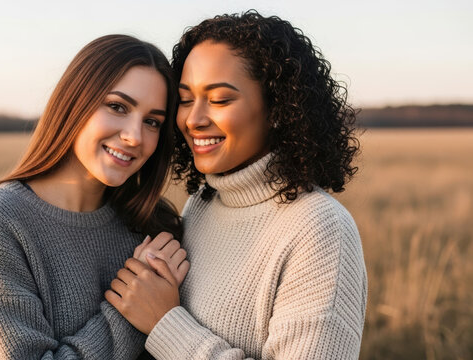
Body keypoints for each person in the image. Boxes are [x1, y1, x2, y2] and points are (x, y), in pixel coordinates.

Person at [106, 11, 367, 359]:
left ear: (278, 107)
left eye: (219, 100)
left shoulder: (319, 229)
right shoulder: (202, 203)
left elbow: (168, 325)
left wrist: (166, 325)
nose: (193, 119)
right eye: (185, 100)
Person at [0, 34, 189, 359]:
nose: (134, 136)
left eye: (152, 122)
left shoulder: (154, 225)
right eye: (117, 107)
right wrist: (131, 311)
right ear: (75, 103)